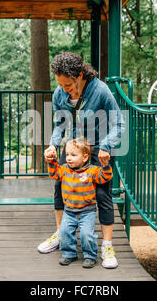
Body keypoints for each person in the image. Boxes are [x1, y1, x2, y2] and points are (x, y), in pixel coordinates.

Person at [37, 52, 124, 269]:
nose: (64, 89)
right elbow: (60, 123)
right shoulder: (60, 94)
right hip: (75, 148)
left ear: (81, 75)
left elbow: (119, 125)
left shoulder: (101, 90)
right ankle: (61, 235)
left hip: (99, 148)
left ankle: (107, 245)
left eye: (68, 84)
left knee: (103, 194)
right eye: (60, 84)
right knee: (60, 187)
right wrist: (52, 145)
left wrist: (106, 146)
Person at [47, 138, 112, 268]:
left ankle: (90, 256)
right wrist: (52, 161)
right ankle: (69, 253)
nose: (69, 158)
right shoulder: (64, 169)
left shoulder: (92, 171)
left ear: (85, 157)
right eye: (67, 155)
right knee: (65, 232)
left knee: (86, 234)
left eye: (73, 155)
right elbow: (54, 174)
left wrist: (105, 166)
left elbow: (105, 177)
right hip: (69, 211)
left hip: (87, 211)